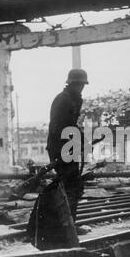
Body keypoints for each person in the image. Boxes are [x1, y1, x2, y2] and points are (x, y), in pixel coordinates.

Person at [46, 68, 89, 221]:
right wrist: (76, 136)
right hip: (60, 148)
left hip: (69, 147)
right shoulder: (63, 99)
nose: (81, 87)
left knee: (73, 186)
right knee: (71, 187)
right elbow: (58, 128)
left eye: (83, 84)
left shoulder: (74, 99)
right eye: (78, 84)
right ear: (71, 84)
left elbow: (70, 124)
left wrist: (80, 137)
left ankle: (69, 224)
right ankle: (66, 225)